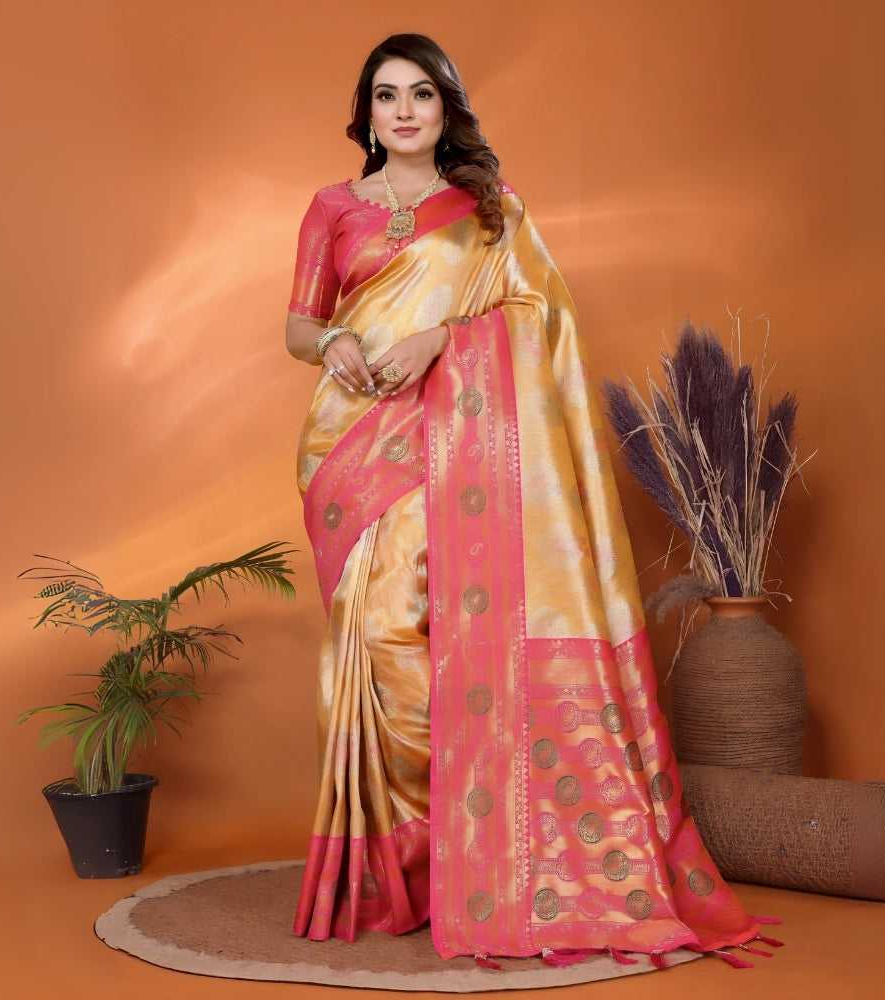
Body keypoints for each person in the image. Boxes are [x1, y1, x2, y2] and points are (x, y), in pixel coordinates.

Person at [286, 33, 761, 965]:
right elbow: (301, 323)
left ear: (447, 107)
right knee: (373, 642)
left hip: (455, 439)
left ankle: (471, 853)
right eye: (387, 96)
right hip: (347, 442)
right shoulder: (331, 207)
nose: (406, 111)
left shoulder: (489, 212)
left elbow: (541, 315)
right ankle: (412, 870)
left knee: (424, 631)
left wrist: (445, 337)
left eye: (422, 94)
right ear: (367, 114)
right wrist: (331, 345)